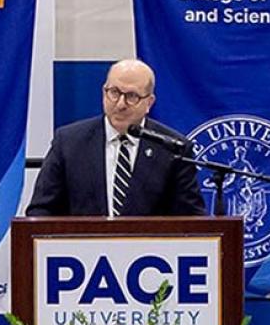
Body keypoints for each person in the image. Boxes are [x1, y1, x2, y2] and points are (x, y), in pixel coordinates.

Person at [26, 59, 206, 217]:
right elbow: (40, 211)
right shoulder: (69, 142)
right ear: (104, 92)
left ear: (149, 102)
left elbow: (191, 219)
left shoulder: (172, 148)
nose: (120, 104)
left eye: (131, 96)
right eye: (114, 92)